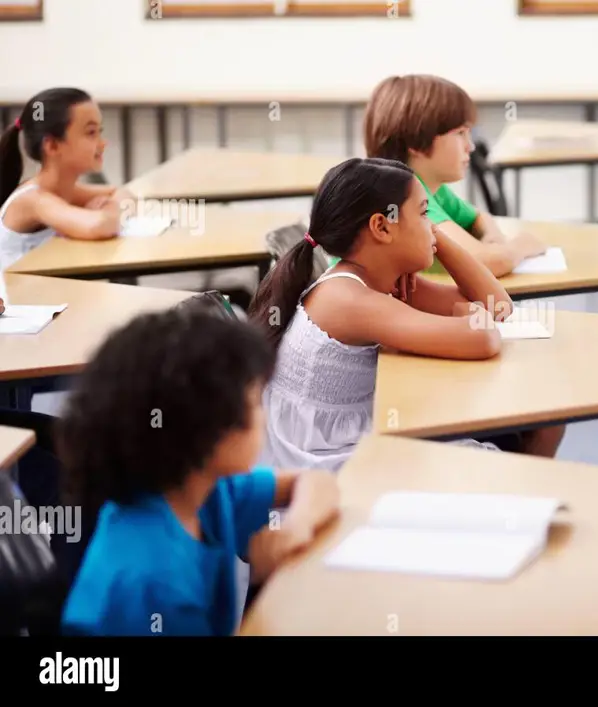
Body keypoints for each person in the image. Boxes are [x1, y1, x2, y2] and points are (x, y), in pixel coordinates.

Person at [249, 157, 565, 471]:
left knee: (539, 426)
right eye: (425, 214)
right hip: (327, 462)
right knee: (501, 452)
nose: (434, 227)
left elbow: (499, 308)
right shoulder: (350, 298)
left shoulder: (379, 278)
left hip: (358, 435)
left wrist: (436, 240)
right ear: (382, 227)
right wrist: (466, 311)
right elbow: (484, 339)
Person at [58, 307, 340, 636]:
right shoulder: (155, 583)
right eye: (253, 403)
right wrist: (267, 591)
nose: (262, 416)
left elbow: (314, 481)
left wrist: (296, 526)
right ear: (205, 429)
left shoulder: (203, 491)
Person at [349, 74, 547, 277]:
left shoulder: (429, 187)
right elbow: (485, 264)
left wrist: (494, 240)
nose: (470, 146)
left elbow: (479, 217)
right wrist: (519, 246)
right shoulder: (402, 197)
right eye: (460, 133)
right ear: (417, 142)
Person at [0, 87, 135, 272]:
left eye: (99, 132)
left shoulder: (66, 190)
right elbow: (98, 226)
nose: (103, 143)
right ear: (53, 146)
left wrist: (106, 209)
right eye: (91, 132)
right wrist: (108, 209)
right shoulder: (34, 200)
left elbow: (123, 193)